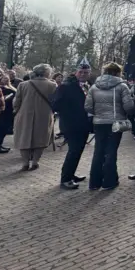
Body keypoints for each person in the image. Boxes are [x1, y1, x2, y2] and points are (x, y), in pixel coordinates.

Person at [85, 62, 135, 190]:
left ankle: (94, 182)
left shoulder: (94, 87)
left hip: (99, 123)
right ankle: (109, 181)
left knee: (99, 151)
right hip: (115, 123)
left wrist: (99, 114)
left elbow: (88, 107)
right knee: (111, 151)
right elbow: (129, 107)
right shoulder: (122, 86)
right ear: (118, 72)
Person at [53, 56, 93, 189]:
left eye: (86, 72)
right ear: (76, 72)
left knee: (78, 151)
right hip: (72, 124)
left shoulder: (87, 86)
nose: (83, 74)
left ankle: (71, 174)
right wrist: (71, 112)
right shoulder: (66, 86)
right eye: (80, 72)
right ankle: (65, 179)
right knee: (74, 151)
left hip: (83, 124)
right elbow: (55, 104)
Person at [13, 64, 57, 171]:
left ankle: (25, 163)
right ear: (46, 73)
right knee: (41, 139)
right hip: (44, 115)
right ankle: (35, 162)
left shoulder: (23, 85)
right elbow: (56, 101)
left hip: (24, 114)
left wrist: (16, 111)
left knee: (24, 138)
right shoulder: (52, 85)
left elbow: (16, 101)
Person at [0, 74, 16, 155]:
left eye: (7, 78)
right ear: (0, 79)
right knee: (0, 129)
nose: (6, 80)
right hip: (2, 111)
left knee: (5, 129)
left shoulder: (11, 87)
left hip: (10, 111)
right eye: (4, 78)